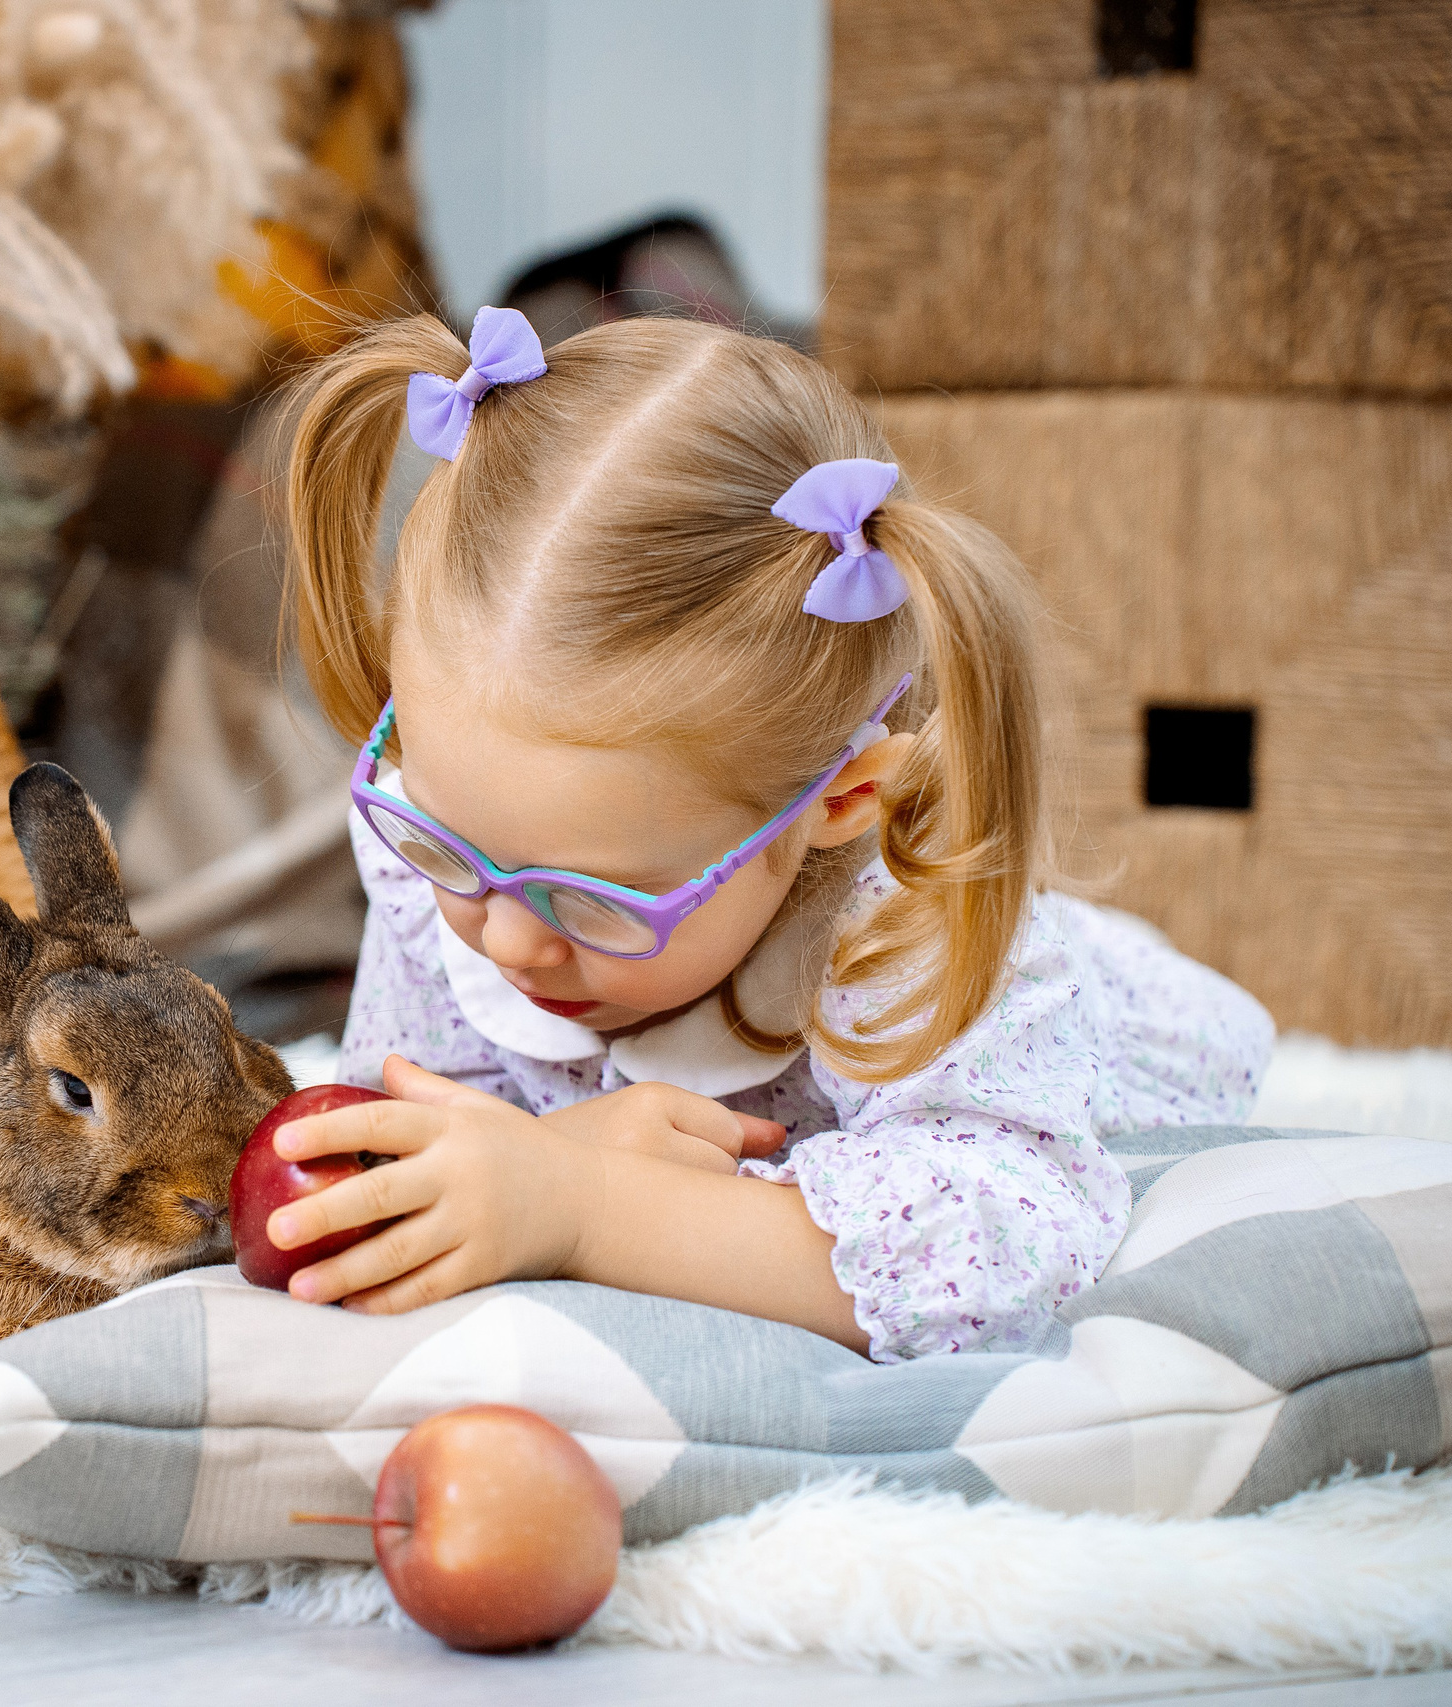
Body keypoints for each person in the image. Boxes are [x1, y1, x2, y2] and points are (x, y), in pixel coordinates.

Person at [264, 306, 1272, 1360]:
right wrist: (540, 1152)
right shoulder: (440, 853)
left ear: (837, 804)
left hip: (1112, 1041)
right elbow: (416, 1117)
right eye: (446, 845)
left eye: (595, 898)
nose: (508, 942)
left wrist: (585, 1204)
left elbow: (1002, 1248)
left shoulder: (900, 942)